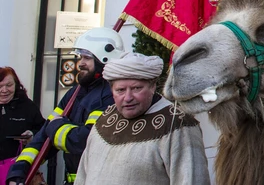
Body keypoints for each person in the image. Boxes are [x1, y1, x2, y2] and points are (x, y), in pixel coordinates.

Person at [6, 27, 123, 185]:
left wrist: (57, 127)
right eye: (80, 57)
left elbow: (84, 141)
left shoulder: (112, 95)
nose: (80, 63)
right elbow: (43, 136)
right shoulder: (75, 93)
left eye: (87, 58)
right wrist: (20, 169)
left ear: (104, 60)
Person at [74, 52, 209, 184]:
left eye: (137, 88)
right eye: (120, 90)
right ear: (112, 91)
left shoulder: (177, 124)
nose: (128, 98)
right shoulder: (105, 120)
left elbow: (192, 179)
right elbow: (82, 176)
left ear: (152, 86)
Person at [0, 67, 44, 180]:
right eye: (0, 86)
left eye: (9, 85)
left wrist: (31, 135)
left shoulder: (27, 106)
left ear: (16, 84)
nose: (4, 90)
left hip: (17, 172)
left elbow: (43, 130)